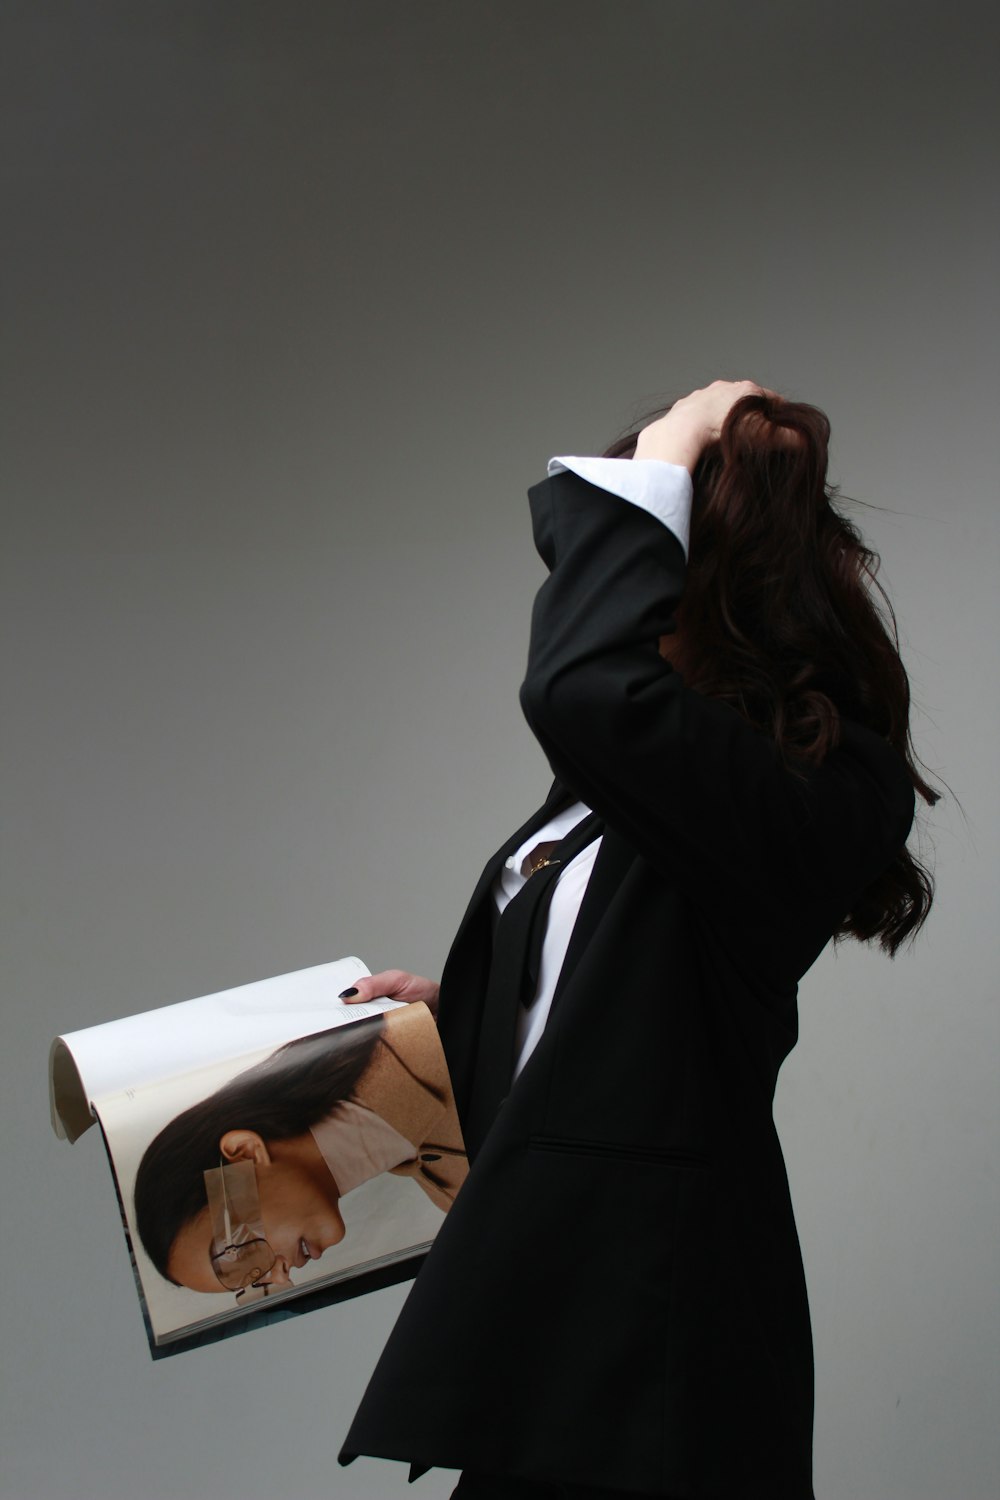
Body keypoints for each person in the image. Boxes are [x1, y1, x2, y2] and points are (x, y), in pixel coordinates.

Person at [336, 380, 937, 1500]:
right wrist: (458, 1020)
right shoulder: (617, 789)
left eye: (634, 536)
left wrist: (665, 448)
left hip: (657, 1351)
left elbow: (576, 684)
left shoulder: (817, 785)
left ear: (689, 565)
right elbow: (619, 1020)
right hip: (558, 1322)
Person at [133, 1000, 468, 1297]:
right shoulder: (454, 1196)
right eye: (251, 1282)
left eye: (235, 1257)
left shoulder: (414, 1041)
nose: (279, 1277)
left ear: (245, 1153)